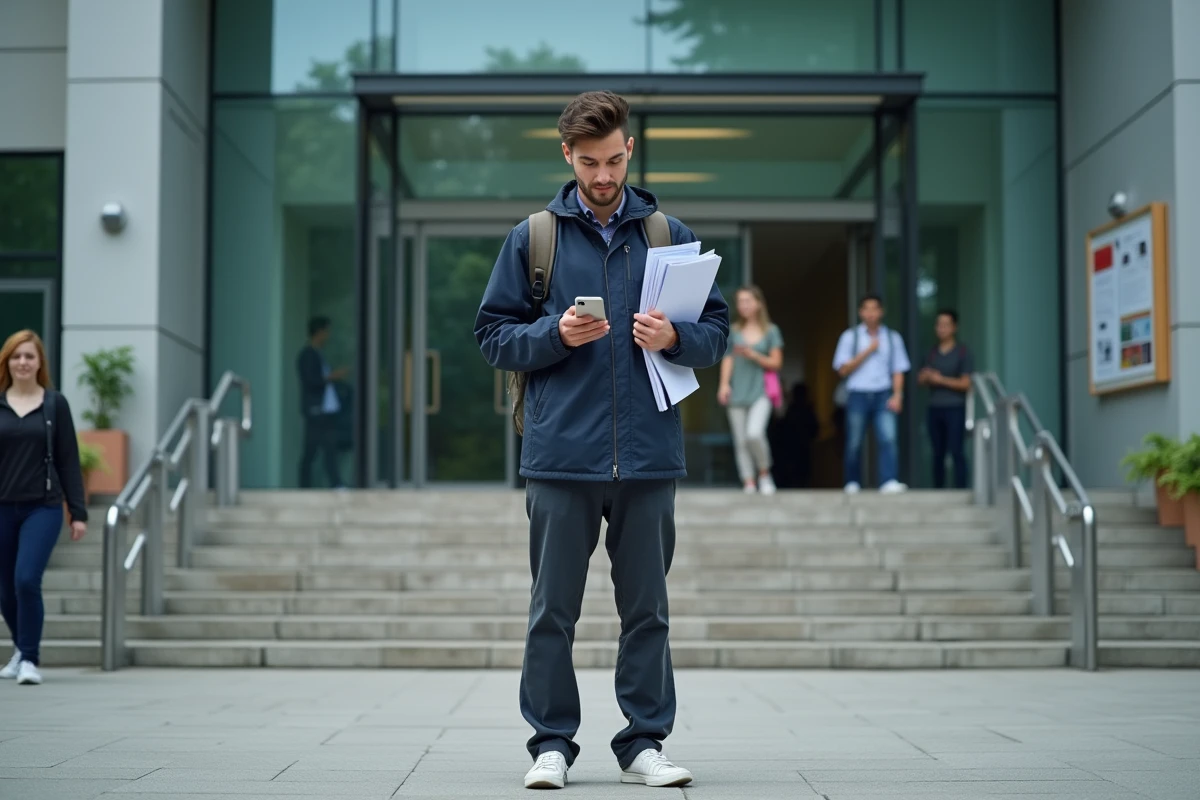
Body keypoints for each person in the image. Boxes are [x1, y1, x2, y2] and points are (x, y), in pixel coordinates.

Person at [474, 91, 728, 790]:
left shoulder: (668, 234)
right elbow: (493, 337)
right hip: (561, 456)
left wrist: (675, 337)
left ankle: (644, 743)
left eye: (614, 160)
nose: (604, 175)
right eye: (589, 163)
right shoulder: (534, 239)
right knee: (551, 612)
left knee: (647, 612)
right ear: (567, 155)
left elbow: (715, 333)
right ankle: (551, 745)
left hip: (648, 456)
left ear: (630, 149)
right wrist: (554, 334)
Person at [0, 330, 88, 685]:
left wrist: (78, 512)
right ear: (7, 362)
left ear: (40, 363)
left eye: (29, 356)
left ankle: (29, 659)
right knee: (5, 589)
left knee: (25, 579)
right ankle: (20, 649)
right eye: (16, 356)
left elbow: (69, 459)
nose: (22, 362)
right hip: (2, 507)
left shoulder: (54, 404)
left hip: (43, 507)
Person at [832, 294, 911, 494]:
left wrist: (897, 395)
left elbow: (898, 370)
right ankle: (852, 482)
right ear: (860, 312)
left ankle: (888, 480)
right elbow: (842, 370)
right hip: (857, 394)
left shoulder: (893, 338)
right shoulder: (849, 337)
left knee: (888, 438)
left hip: (883, 393)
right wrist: (868, 350)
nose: (871, 313)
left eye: (874, 309)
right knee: (854, 441)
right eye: (866, 309)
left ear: (881, 311)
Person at [717, 286, 783, 495]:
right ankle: (748, 481)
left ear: (758, 303)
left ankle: (764, 473)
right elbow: (727, 359)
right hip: (737, 391)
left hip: (761, 392)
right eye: (740, 301)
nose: (743, 305)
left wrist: (753, 355)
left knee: (754, 434)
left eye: (747, 301)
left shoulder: (771, 331)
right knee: (741, 441)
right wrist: (724, 385)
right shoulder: (734, 331)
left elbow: (776, 363)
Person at [919, 309, 974, 489]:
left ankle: (961, 488)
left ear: (954, 327)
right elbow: (920, 379)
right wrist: (927, 376)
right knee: (937, 453)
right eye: (939, 325)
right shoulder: (931, 353)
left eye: (946, 325)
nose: (941, 328)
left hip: (955, 407)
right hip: (934, 407)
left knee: (956, 450)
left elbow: (966, 383)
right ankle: (938, 490)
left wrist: (940, 379)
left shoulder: (962, 352)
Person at [296, 316, 347, 489]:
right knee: (311, 451)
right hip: (315, 411)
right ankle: (304, 487)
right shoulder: (307, 355)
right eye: (326, 331)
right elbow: (311, 381)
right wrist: (332, 376)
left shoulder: (318, 354)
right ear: (319, 332)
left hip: (326, 411)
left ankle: (336, 484)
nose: (328, 335)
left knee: (329, 449)